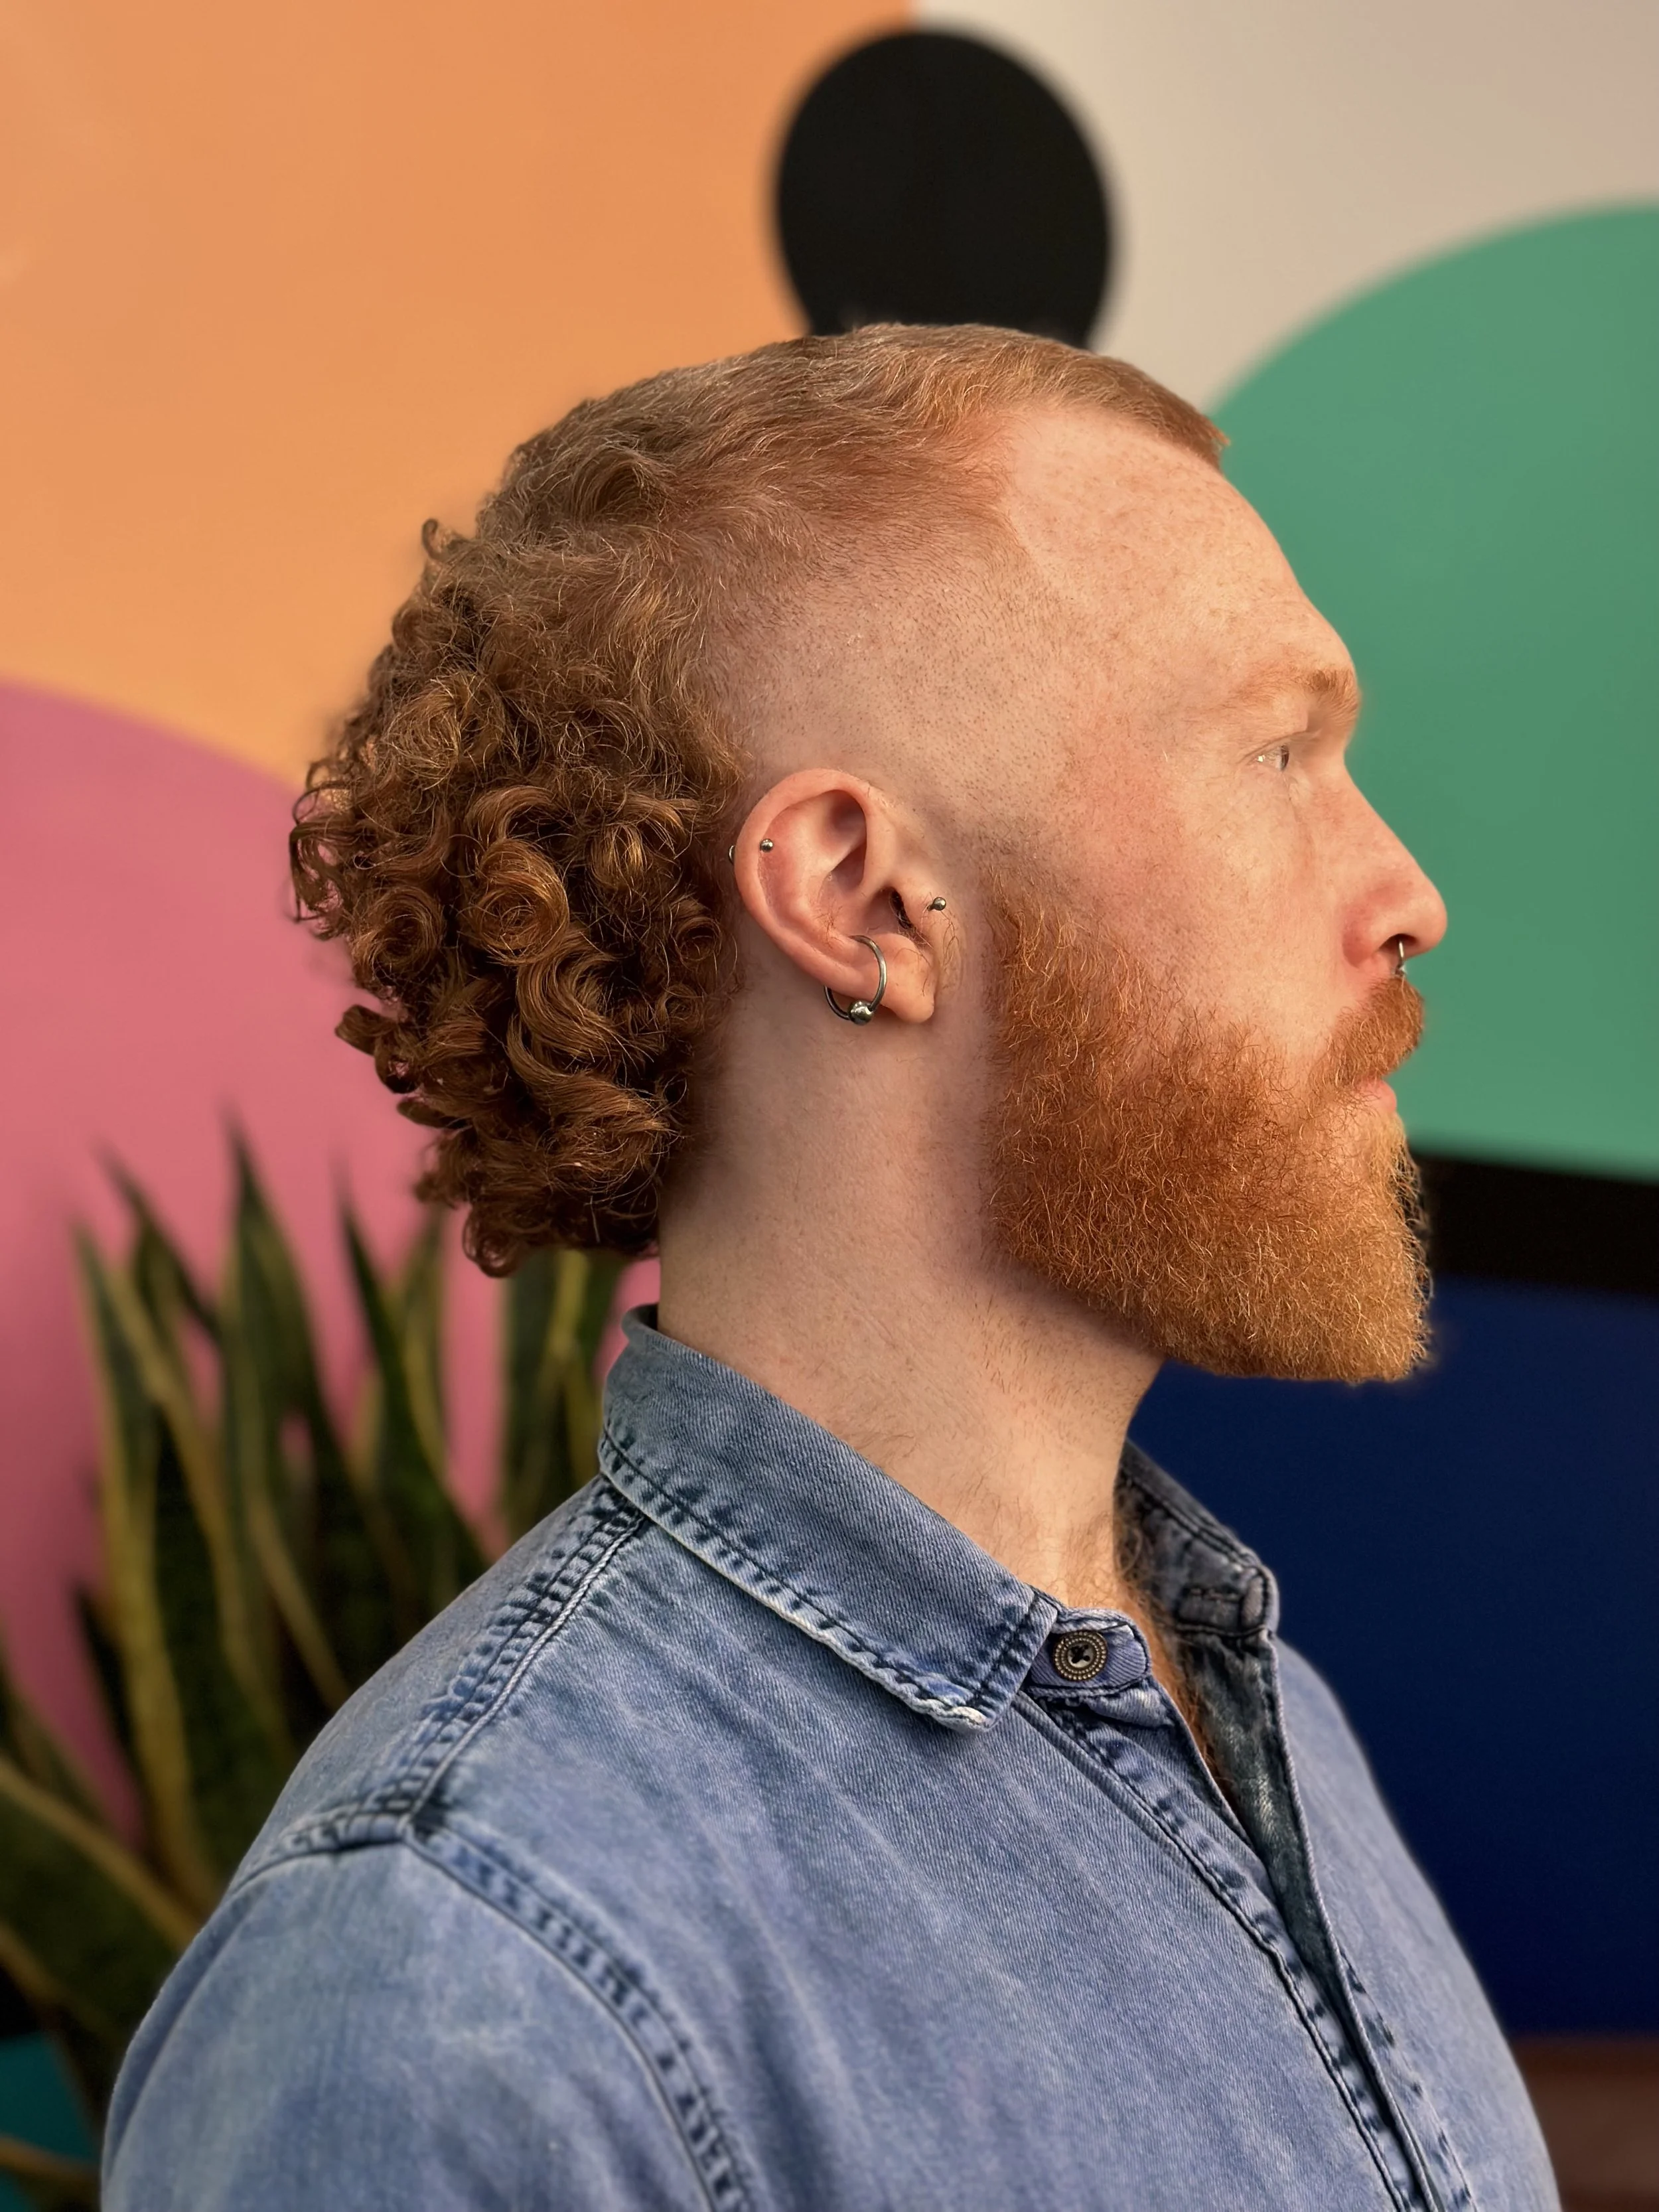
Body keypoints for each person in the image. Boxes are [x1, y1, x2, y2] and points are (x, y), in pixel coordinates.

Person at [104, 326, 1557, 2209]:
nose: (1406, 893)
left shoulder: (1262, 1713)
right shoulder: (452, 1975)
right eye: (1273, 752)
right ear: (866, 900)